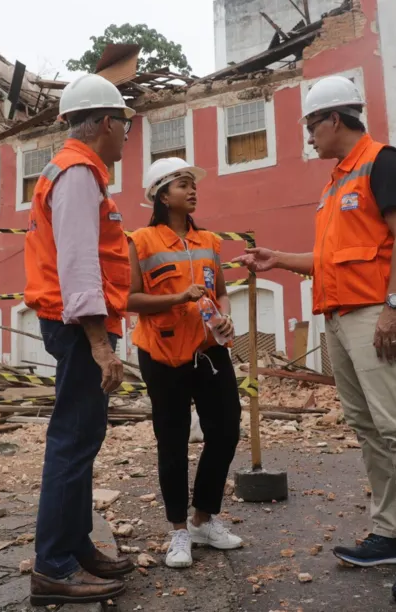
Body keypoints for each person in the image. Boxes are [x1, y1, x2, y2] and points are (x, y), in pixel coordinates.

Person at [234, 76, 396, 604]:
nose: (308, 135)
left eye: (311, 125)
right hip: (340, 316)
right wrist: (276, 260)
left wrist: (394, 308)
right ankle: (393, 534)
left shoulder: (383, 163)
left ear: (334, 119)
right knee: (368, 426)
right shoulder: (336, 183)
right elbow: (331, 260)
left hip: (377, 314)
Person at [23, 74, 135, 606]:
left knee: (82, 438)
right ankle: (53, 566)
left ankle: (75, 546)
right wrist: (99, 342)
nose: (129, 136)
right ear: (106, 123)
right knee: (71, 440)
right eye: (126, 125)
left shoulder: (76, 170)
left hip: (75, 323)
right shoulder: (77, 172)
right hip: (78, 327)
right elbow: (78, 262)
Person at [126, 157, 242, 569]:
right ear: (161, 194)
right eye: (183, 184)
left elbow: (222, 290)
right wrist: (177, 298)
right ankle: (178, 531)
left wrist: (224, 313)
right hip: (161, 353)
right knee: (172, 442)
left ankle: (202, 520)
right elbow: (128, 299)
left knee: (226, 431)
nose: (193, 190)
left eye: (193, 183)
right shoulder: (140, 241)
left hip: (209, 351)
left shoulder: (209, 240)